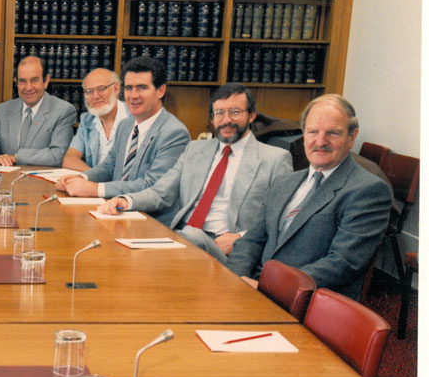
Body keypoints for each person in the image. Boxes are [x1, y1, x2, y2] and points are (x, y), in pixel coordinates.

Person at [100, 83, 292, 261]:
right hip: (182, 237)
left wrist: (240, 238)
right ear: (211, 118)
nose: (226, 120)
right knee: (117, 244)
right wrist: (126, 201)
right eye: (219, 113)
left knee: (187, 237)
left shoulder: (275, 159)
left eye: (235, 112)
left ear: (251, 115)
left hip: (225, 249)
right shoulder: (195, 149)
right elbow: (161, 191)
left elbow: (281, 219)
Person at [226, 94, 392, 299]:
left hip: (307, 303)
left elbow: (342, 263)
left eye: (333, 133)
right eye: (313, 131)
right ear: (303, 134)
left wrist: (266, 287)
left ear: (352, 137)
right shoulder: (284, 183)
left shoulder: (369, 190)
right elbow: (251, 240)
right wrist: (235, 280)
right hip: (254, 290)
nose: (320, 142)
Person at [56, 56, 189, 218]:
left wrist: (94, 188)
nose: (133, 96)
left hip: (151, 220)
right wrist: (80, 177)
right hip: (115, 212)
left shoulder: (174, 133)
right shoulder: (126, 125)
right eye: (129, 88)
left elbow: (152, 186)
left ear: (160, 91)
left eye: (142, 88)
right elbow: (109, 167)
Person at [0, 55, 75, 167]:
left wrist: (16, 157)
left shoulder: (63, 111)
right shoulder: (2, 111)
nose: (28, 88)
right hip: (7, 180)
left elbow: (58, 155)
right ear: (16, 82)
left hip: (43, 182)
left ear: (46, 81)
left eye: (34, 80)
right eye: (22, 81)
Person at [61, 67, 129, 171]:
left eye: (101, 89)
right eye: (89, 91)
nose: (95, 96)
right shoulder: (87, 120)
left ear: (116, 88)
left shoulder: (135, 117)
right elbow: (69, 159)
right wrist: (96, 178)